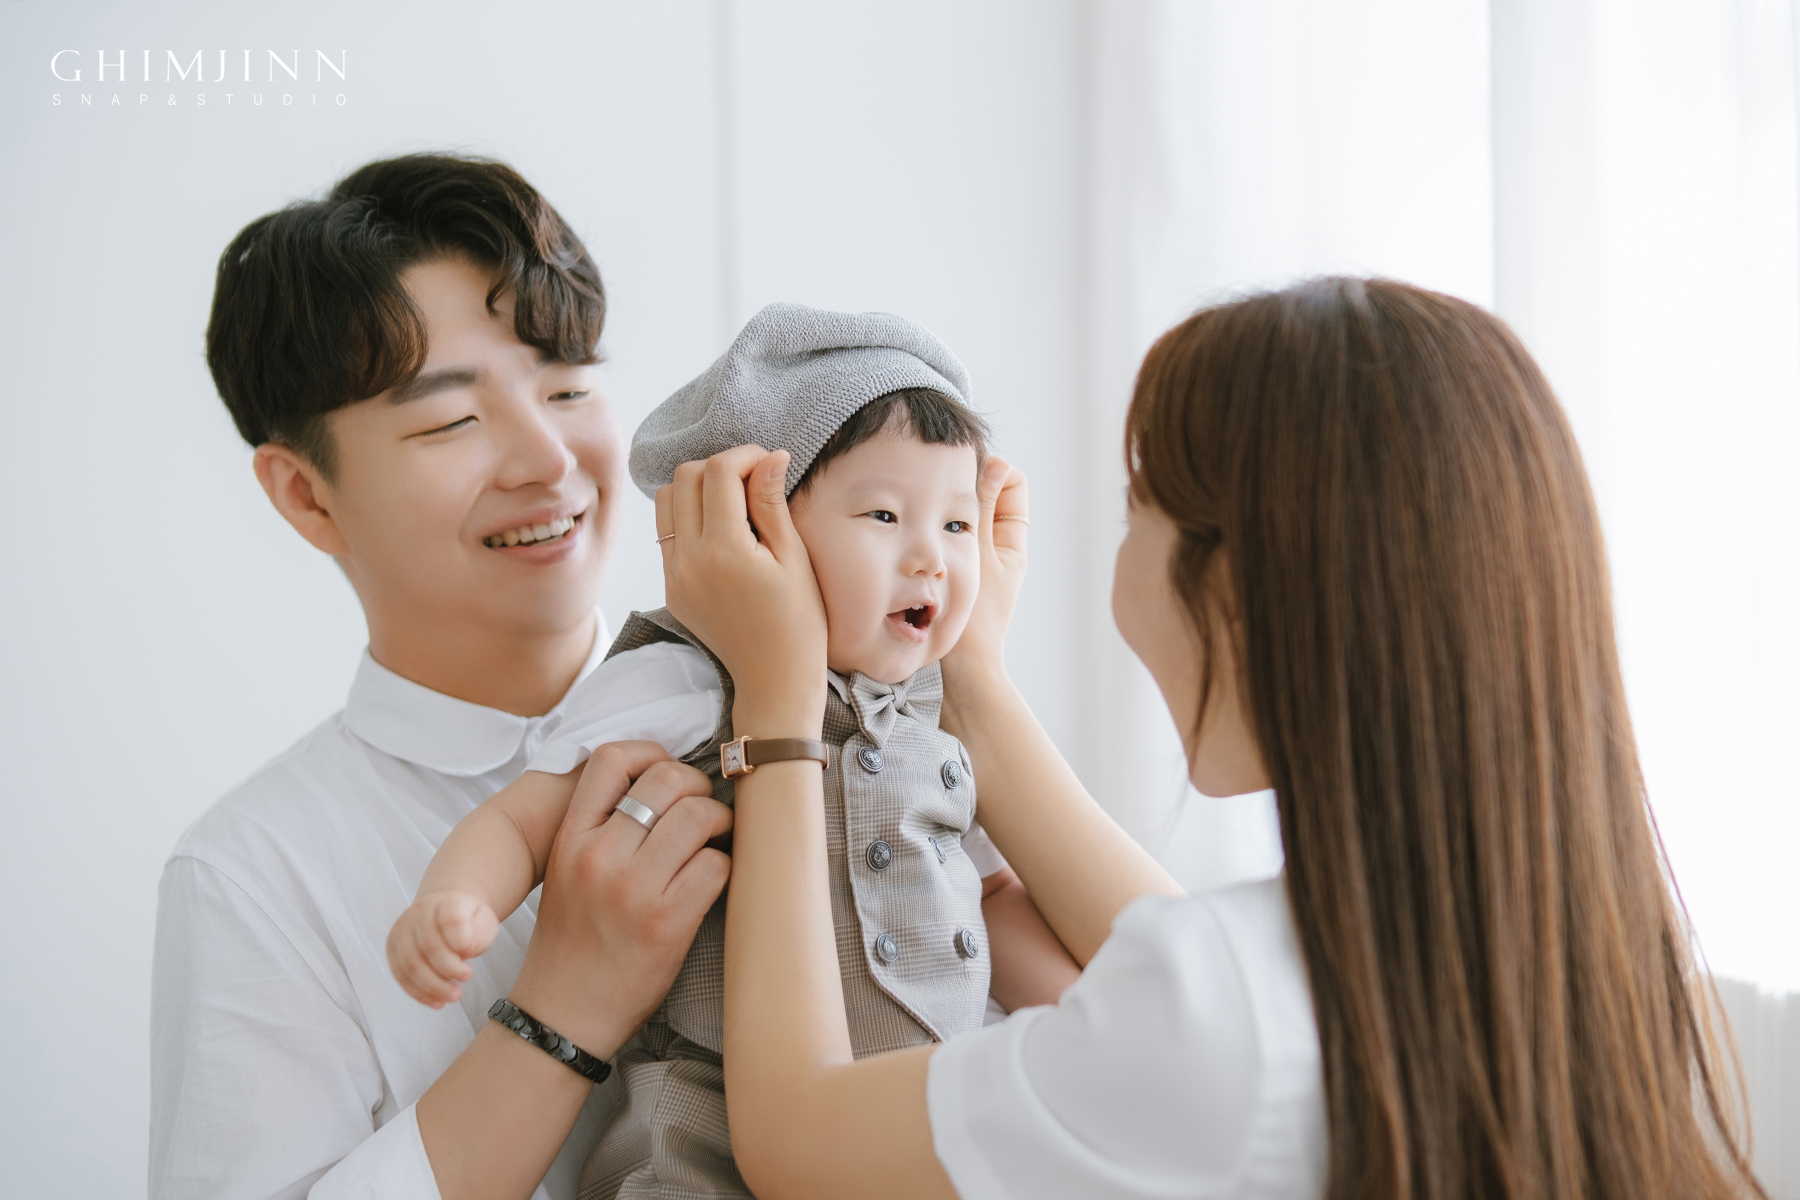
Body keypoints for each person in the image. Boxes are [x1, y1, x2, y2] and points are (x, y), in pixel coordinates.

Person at [656, 277, 1769, 1199]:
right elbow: (1181, 963)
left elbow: (796, 1136)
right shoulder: (1577, 957)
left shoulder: (1216, 1009)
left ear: (1235, 591)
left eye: (1137, 504)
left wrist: (778, 705)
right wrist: (975, 683)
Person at [386, 303, 1082, 1198]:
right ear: (759, 532)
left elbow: (984, 897)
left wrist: (1090, 1022)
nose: (931, 560)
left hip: (907, 1133)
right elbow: (524, 822)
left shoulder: (938, 713)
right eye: (883, 514)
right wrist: (455, 900)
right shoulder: (689, 678)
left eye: (955, 525)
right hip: (707, 1142)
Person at [150, 154, 731, 1200]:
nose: (547, 460)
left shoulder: (769, 703)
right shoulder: (253, 873)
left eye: (568, 388)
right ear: (306, 496)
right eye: (451, 421)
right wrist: (564, 1007)